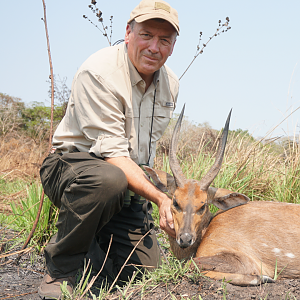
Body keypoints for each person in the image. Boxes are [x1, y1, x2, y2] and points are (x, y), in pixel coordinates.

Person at [38, 0, 179, 298]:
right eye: (146, 35)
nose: (154, 47)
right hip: (73, 167)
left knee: (144, 274)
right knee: (107, 181)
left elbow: (142, 155)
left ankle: (93, 247)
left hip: (124, 180)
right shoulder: (99, 72)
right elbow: (114, 157)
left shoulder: (170, 85)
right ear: (128, 32)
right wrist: (159, 199)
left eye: (164, 40)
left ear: (172, 46)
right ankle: (60, 270)